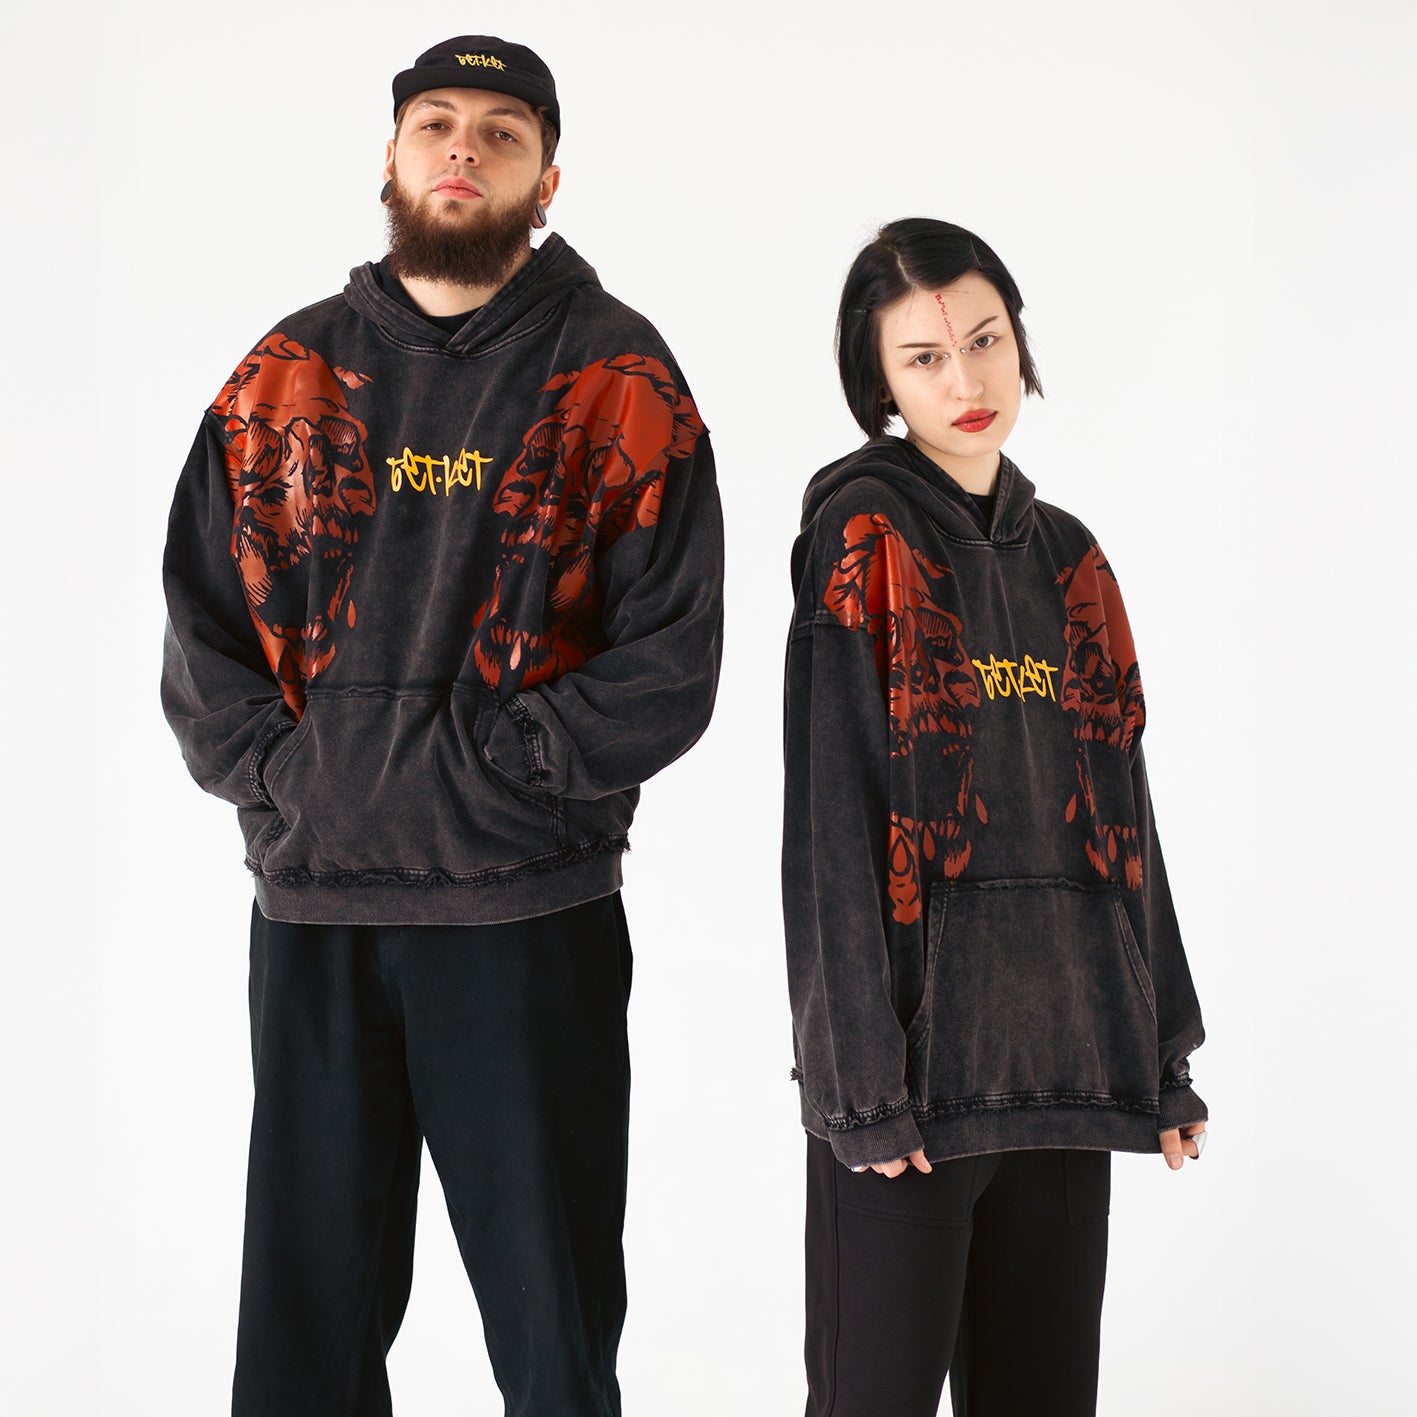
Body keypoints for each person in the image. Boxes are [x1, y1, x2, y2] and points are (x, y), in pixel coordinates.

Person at [161, 35, 722, 1417]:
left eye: (502, 132)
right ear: (393, 156)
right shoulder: (284, 372)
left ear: (547, 181)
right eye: (436, 122)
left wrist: (513, 771)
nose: (464, 146)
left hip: (526, 912)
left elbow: (672, 651)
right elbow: (201, 626)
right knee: (304, 1335)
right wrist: (292, 779)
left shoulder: (615, 371)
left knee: (552, 1329)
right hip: (318, 914)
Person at [781, 218, 1207, 1417]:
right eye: (923, 358)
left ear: (1019, 343)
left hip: (1066, 1070)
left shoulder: (1073, 561)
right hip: (913, 1093)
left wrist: (1161, 1056)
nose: (965, 380)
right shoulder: (861, 540)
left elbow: (1123, 819)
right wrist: (858, 1087)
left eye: (983, 341)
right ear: (879, 383)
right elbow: (830, 825)